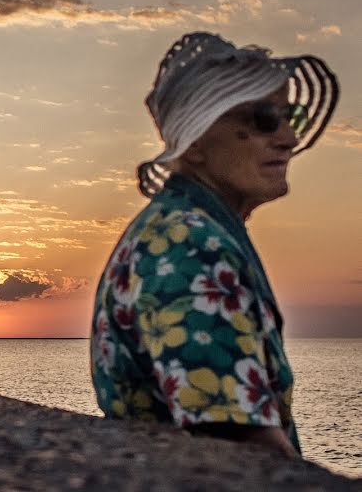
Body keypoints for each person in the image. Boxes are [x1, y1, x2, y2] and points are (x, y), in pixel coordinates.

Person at [90, 32, 339, 458]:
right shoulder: (187, 244)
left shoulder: (187, 229)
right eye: (262, 118)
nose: (288, 138)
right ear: (197, 141)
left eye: (289, 116)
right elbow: (239, 446)